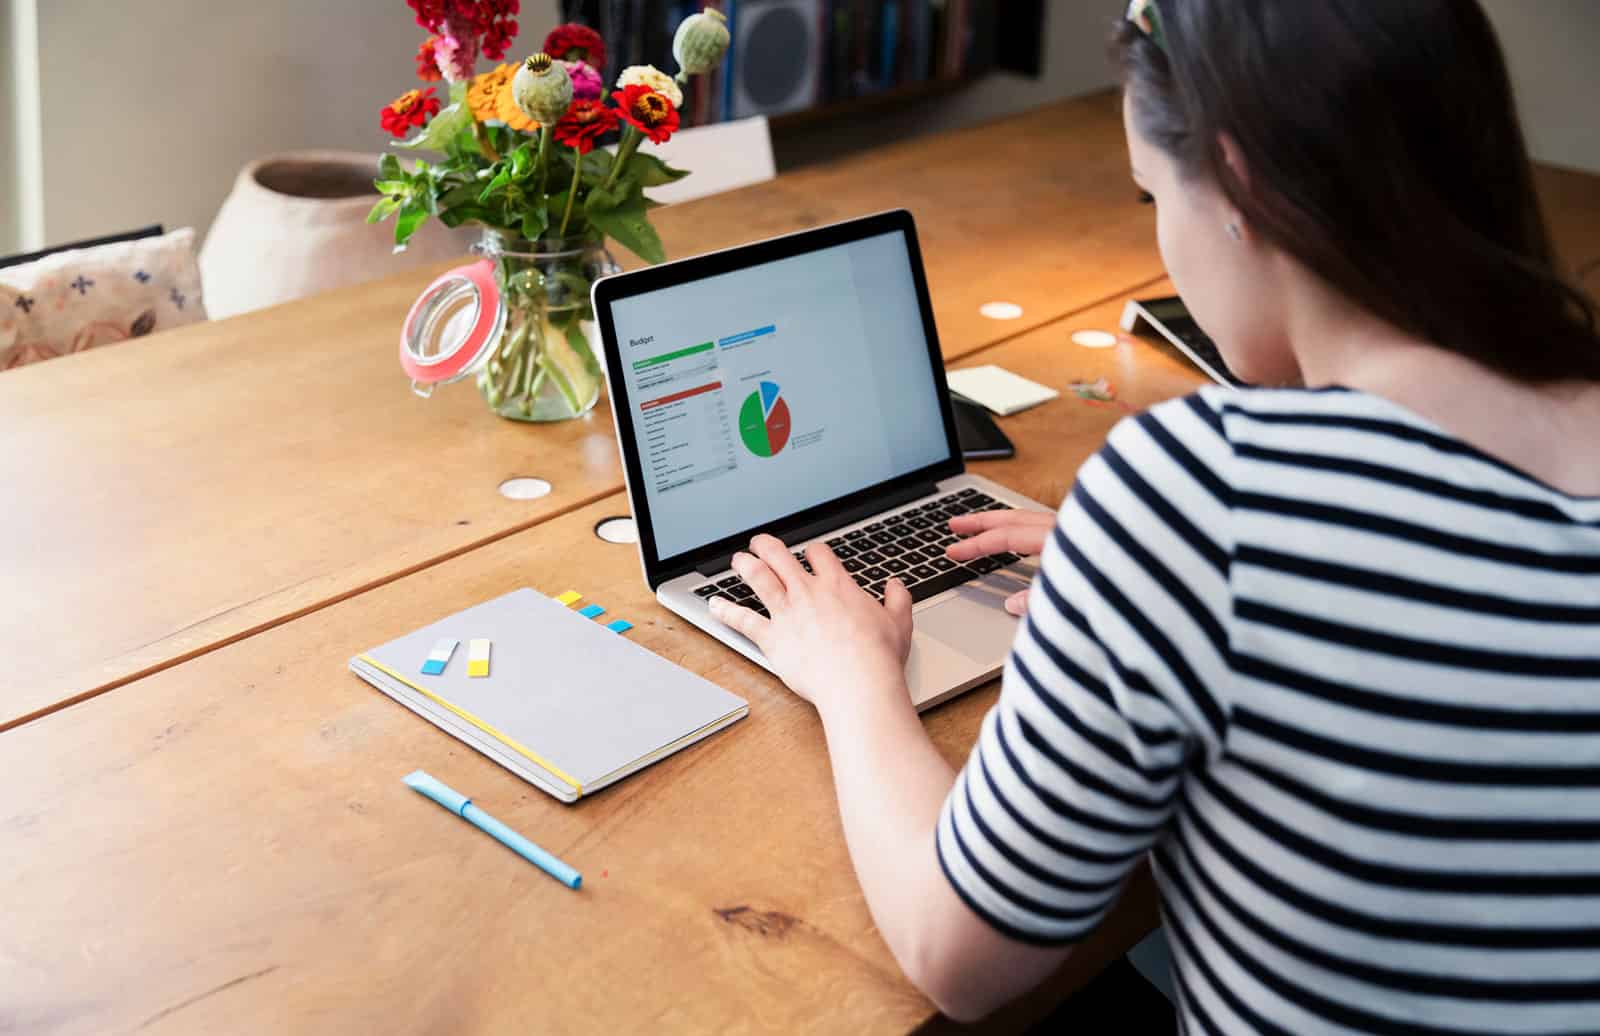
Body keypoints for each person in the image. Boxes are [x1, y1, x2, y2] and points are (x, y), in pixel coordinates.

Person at [707, 0, 1600, 1030]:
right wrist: (1126, 576)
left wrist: (853, 673)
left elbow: (951, 952)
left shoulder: (1205, 499)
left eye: (1148, 197)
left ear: (1239, 184)